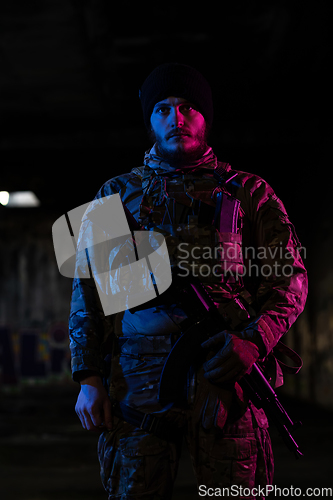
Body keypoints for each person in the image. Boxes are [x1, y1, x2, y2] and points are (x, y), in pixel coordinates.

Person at [69, 63, 307, 499]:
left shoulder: (248, 193)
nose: (176, 119)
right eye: (163, 109)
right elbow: (89, 292)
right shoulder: (116, 195)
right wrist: (89, 378)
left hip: (226, 379)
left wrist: (255, 340)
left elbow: (289, 280)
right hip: (136, 386)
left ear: (205, 118)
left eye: (188, 108)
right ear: (150, 121)